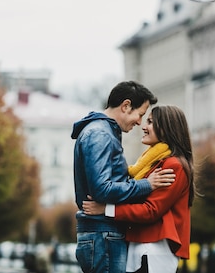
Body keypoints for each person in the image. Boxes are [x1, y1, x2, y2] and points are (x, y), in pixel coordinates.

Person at [71, 81, 176, 273]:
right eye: (141, 114)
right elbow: (102, 189)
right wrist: (146, 185)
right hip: (104, 234)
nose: (139, 122)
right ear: (126, 106)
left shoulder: (101, 132)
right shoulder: (100, 135)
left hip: (102, 233)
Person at [83, 105, 197, 273]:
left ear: (167, 128)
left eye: (150, 122)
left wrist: (106, 210)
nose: (143, 126)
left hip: (153, 250)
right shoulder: (154, 162)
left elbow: (151, 210)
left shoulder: (173, 165)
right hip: (144, 247)